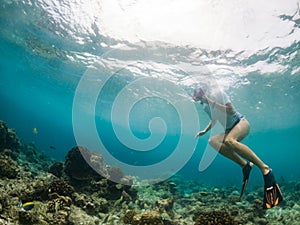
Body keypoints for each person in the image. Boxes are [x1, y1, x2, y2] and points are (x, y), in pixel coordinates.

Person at [193, 85, 283, 209]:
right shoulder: (203, 106)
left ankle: (265, 169)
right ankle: (245, 165)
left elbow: (230, 110)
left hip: (241, 123)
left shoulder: (219, 94)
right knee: (212, 141)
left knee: (230, 140)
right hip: (229, 129)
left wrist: (211, 102)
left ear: (204, 92)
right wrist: (205, 130)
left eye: (199, 94)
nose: (199, 98)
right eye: (197, 96)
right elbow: (215, 118)